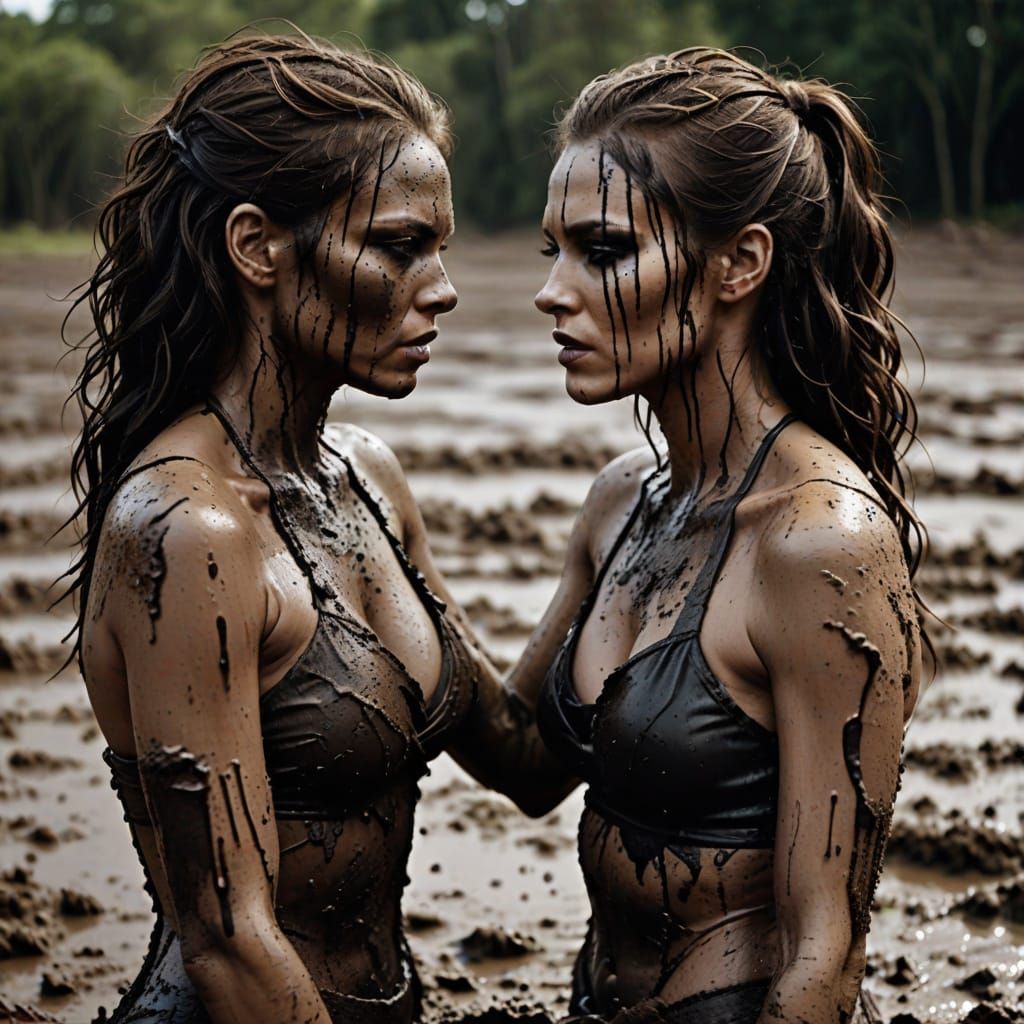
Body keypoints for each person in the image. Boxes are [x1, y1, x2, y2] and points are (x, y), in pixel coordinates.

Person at [64, 31, 544, 1024]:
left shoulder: (366, 476)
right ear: (257, 248)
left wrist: (642, 512)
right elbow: (230, 943)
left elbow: (520, 754)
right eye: (401, 246)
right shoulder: (185, 531)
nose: (443, 286)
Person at [505, 48, 927, 1024]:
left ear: (739, 262)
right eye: (550, 251)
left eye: (601, 251)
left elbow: (825, 950)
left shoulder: (821, 543)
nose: (551, 291)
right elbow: (527, 764)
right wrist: (352, 525)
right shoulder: (624, 501)